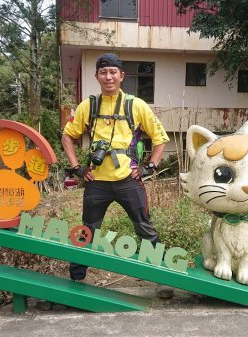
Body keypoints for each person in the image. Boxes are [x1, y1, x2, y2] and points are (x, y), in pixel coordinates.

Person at [61, 53, 174, 298]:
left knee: (145, 228)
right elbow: (67, 135)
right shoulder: (88, 106)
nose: (108, 76)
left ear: (122, 76)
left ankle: (162, 278)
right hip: (97, 181)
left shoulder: (136, 105)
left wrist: (149, 167)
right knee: (88, 230)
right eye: (103, 72)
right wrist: (77, 168)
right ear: (97, 76)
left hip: (129, 180)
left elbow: (160, 138)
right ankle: (76, 280)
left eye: (113, 72)